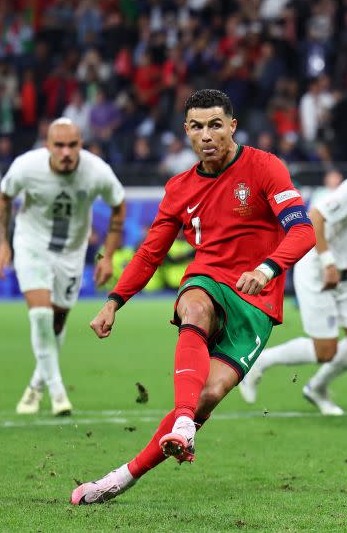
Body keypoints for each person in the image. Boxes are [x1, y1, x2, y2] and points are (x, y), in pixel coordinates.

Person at [71, 89, 315, 504]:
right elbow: (151, 252)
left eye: (215, 125)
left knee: (210, 395)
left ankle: (124, 476)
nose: (207, 135)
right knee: (194, 305)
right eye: (197, 126)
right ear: (186, 131)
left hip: (257, 298)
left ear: (232, 126)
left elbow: (303, 230)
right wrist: (114, 301)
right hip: (209, 276)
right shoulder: (179, 188)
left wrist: (267, 267)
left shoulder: (265, 167)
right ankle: (182, 423)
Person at [239, 133, 347, 415]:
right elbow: (315, 216)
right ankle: (260, 362)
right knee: (326, 350)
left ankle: (316, 388)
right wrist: (328, 262)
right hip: (317, 265)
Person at [0, 118, 126, 416]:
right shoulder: (27, 167)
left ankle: (35, 386)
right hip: (31, 245)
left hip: (72, 253)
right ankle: (58, 393)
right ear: (47, 146)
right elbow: (4, 197)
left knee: (56, 325)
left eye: (72, 145)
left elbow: (118, 204)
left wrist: (108, 255)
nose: (66, 152)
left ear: (81, 144)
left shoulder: (97, 172)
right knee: (40, 316)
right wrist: (4, 243)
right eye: (59, 145)